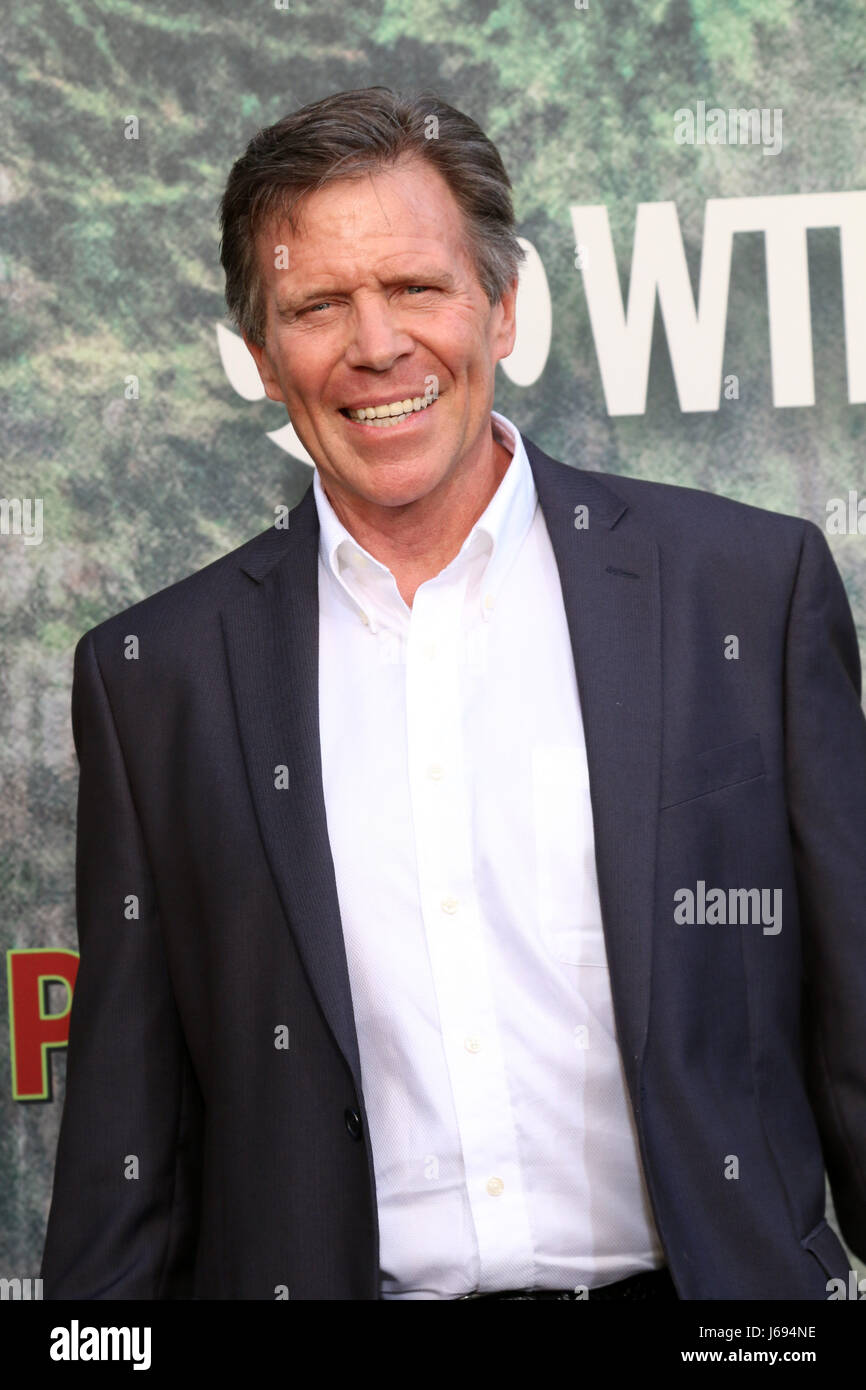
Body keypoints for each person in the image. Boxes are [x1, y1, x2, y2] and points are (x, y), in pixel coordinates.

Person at [41, 86, 866, 1300]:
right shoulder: (154, 680)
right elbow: (129, 1150)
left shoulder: (744, 588)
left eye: (417, 289)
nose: (375, 346)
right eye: (318, 305)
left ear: (501, 306)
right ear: (263, 358)